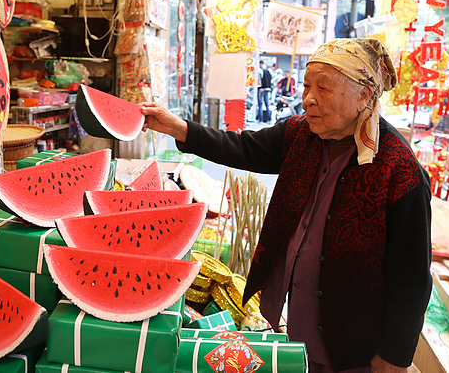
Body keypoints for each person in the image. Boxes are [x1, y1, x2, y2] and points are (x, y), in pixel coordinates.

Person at [141, 38, 432, 373]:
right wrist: (179, 128)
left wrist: (395, 355)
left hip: (355, 350)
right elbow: (243, 147)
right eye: (307, 86)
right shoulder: (300, 134)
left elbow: (411, 279)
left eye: (323, 88)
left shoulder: (400, 171)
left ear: (365, 94)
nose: (308, 99)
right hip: (296, 326)